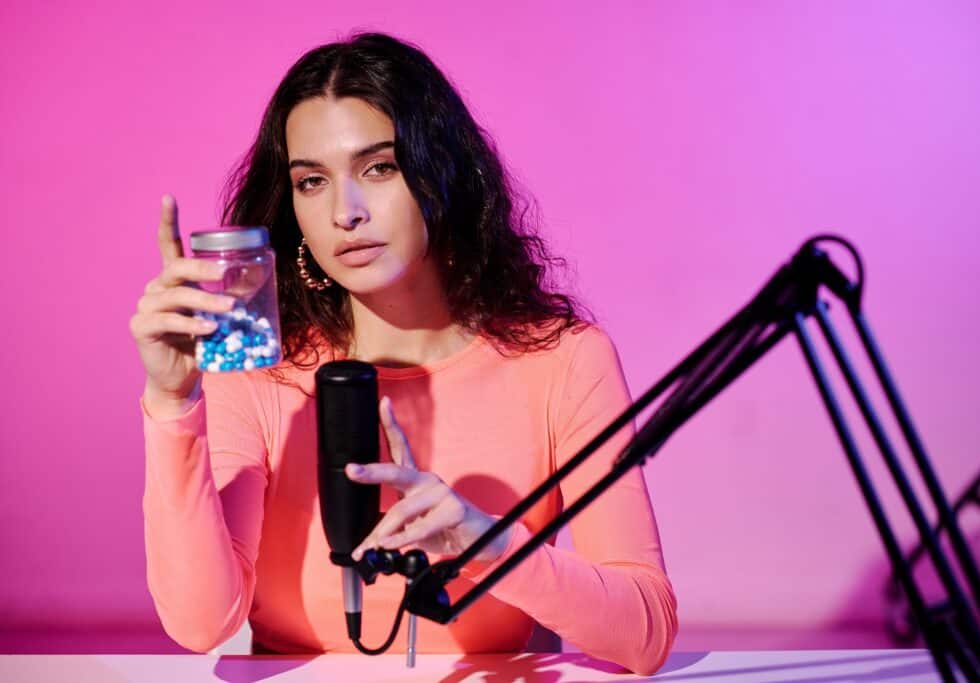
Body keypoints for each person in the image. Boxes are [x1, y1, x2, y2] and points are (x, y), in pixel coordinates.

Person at [130, 32, 678, 675]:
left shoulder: (561, 361)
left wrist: (488, 543)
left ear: (439, 172)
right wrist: (172, 405)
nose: (346, 212)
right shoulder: (262, 367)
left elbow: (647, 633)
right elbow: (200, 624)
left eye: (379, 168)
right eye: (312, 181)